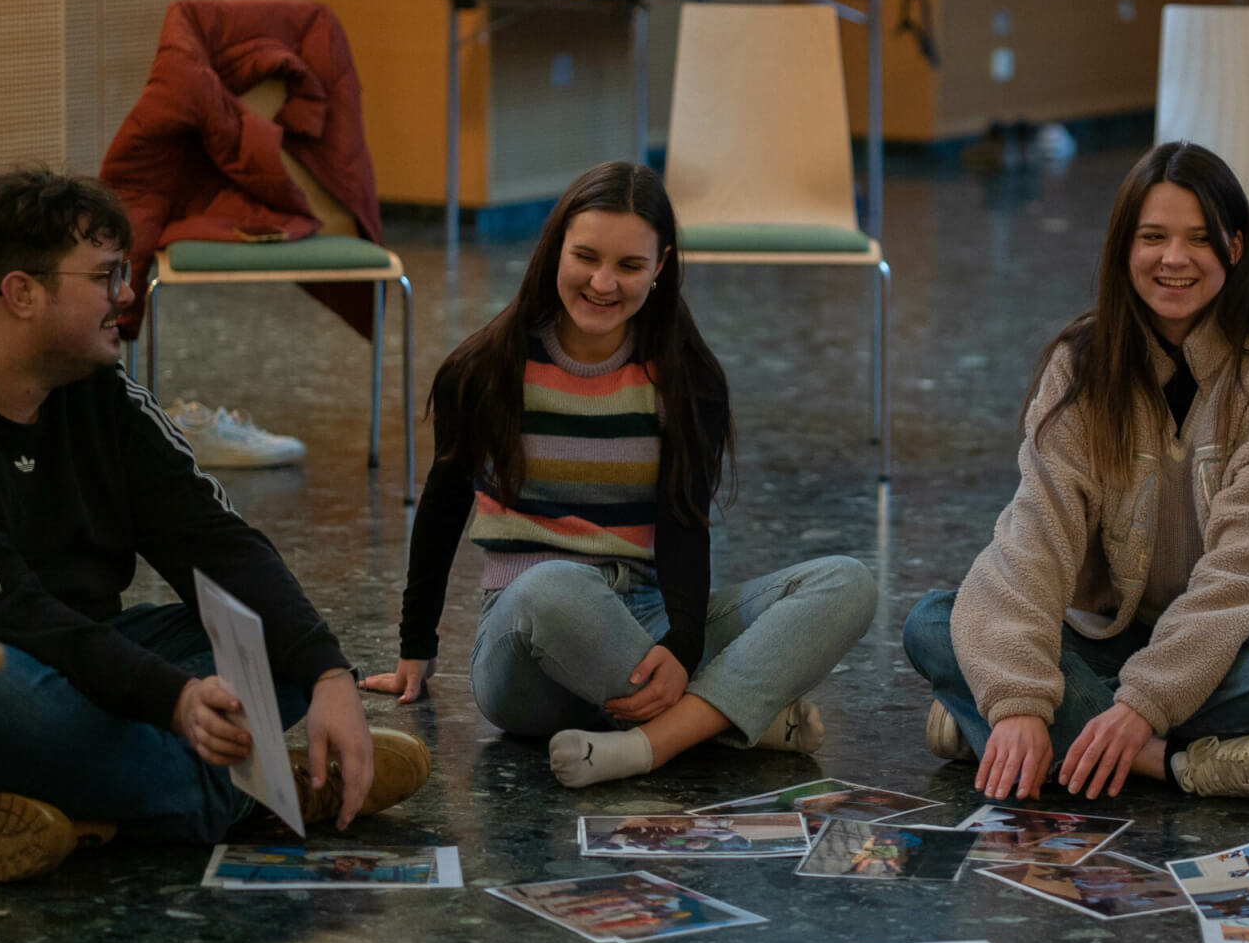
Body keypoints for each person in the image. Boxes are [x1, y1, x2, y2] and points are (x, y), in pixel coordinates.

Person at [0, 169, 428, 882]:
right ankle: (266, 791)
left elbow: (216, 538)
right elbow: (8, 613)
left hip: (80, 658)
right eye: (107, 276)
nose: (127, 295)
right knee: (12, 700)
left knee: (266, 647)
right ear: (21, 293)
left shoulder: (99, 389)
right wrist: (170, 699)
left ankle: (36, 805)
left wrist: (327, 671)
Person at [902, 141, 1249, 804]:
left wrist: (1145, 701)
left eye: (1198, 239)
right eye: (1152, 237)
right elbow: (1034, 535)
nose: (1174, 259)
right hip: (1107, 634)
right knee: (937, 618)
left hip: (1234, 646)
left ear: (1236, 247)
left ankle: (1001, 728)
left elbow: (1246, 576)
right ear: (1123, 249)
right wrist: (1016, 694)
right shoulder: (1082, 365)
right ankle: (1174, 765)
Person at [365, 161, 875, 788]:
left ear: (660, 269)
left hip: (647, 621)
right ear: (555, 251)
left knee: (846, 582)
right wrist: (416, 645)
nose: (603, 283)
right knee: (553, 584)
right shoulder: (483, 370)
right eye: (586, 257)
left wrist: (684, 643)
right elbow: (442, 507)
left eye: (630, 266)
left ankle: (652, 742)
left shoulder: (687, 380)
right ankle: (722, 720)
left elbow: (685, 524)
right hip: (527, 642)